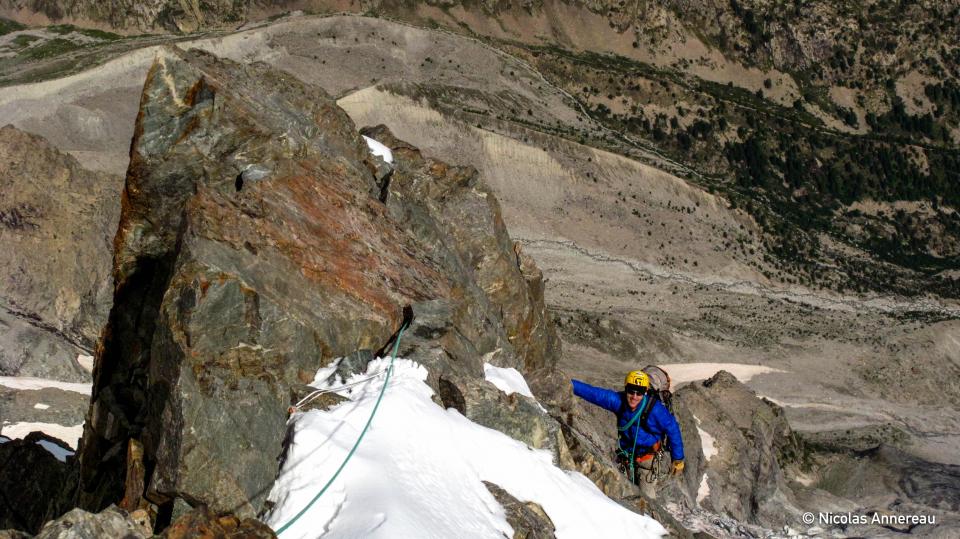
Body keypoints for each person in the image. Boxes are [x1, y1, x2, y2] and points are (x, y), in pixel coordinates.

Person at [572, 370, 684, 482]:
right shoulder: (618, 401)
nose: (634, 396)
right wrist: (568, 383)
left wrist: (678, 459)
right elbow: (594, 394)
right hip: (625, 457)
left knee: (645, 492)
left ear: (645, 392)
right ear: (626, 389)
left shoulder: (655, 409)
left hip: (647, 461)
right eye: (631, 391)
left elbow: (672, 429)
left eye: (639, 392)